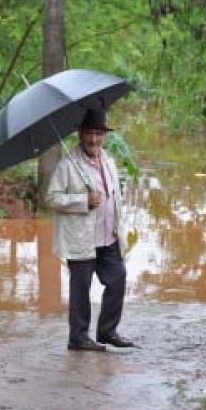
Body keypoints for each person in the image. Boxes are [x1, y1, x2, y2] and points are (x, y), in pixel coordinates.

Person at [46, 108, 134, 352]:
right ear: (80, 134)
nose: (93, 139)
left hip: (108, 236)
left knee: (118, 278)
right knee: (80, 290)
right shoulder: (68, 165)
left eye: (98, 134)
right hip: (82, 240)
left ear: (105, 135)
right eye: (89, 133)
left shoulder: (108, 160)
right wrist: (82, 201)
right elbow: (52, 198)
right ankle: (78, 337)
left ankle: (107, 331)